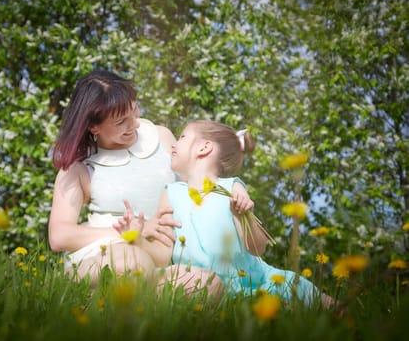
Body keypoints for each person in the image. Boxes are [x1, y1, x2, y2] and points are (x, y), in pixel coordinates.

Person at [48, 70, 254, 296]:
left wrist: (232, 187)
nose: (135, 124)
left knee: (207, 284)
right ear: (93, 127)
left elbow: (198, 181)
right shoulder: (79, 168)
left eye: (134, 109)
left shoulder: (160, 137)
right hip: (105, 257)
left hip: (157, 260)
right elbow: (59, 236)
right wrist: (131, 232)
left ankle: (128, 313)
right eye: (121, 121)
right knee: (131, 263)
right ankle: (97, 299)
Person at [115, 120, 333, 306]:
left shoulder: (231, 188)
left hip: (255, 283)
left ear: (204, 148)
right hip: (200, 285)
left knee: (305, 295)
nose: (173, 144)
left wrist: (244, 215)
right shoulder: (171, 193)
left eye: (182, 137)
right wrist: (138, 239)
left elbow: (258, 248)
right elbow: (164, 254)